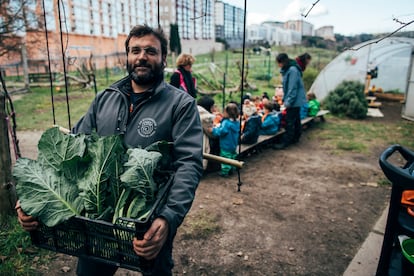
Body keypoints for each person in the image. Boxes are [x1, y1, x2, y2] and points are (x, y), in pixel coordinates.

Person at [16, 25, 204, 276]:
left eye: (150, 51)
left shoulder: (181, 104)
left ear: (163, 58)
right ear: (127, 56)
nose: (142, 56)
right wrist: (30, 197)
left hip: (147, 215)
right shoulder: (105, 98)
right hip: (99, 216)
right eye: (135, 50)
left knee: (156, 269)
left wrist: (168, 218)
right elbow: (71, 147)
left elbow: (189, 163)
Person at [273, 53, 307, 149]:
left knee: (289, 121)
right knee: (296, 119)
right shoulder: (289, 69)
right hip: (294, 100)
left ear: (282, 62)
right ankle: (295, 137)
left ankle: (286, 142)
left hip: (294, 100)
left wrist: (288, 103)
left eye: (278, 63)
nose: (278, 65)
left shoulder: (292, 70)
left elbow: (293, 88)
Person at [210, 103, 240, 177]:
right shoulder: (237, 122)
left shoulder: (226, 123)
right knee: (232, 155)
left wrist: (213, 130)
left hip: (226, 144)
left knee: (225, 157)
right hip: (233, 143)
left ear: (227, 113)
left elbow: (221, 132)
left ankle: (225, 172)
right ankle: (232, 168)